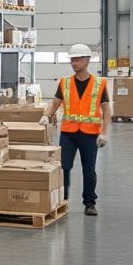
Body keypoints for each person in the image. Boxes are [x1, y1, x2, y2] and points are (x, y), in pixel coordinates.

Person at [43, 44, 111, 216]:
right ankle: (62, 200)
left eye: (78, 59)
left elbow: (106, 109)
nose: (74, 63)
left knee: (89, 169)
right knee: (64, 167)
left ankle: (89, 203)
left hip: (89, 134)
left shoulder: (99, 83)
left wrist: (104, 132)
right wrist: (46, 115)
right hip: (68, 133)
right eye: (72, 59)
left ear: (87, 60)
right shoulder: (65, 82)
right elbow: (56, 102)